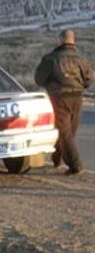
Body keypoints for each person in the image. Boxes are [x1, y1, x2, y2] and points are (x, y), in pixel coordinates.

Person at [35, 29, 93, 175]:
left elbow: (39, 79)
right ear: (73, 41)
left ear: (60, 40)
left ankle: (75, 166)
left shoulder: (50, 59)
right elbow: (89, 79)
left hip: (59, 97)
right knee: (70, 131)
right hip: (78, 97)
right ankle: (56, 158)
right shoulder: (82, 59)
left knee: (64, 132)